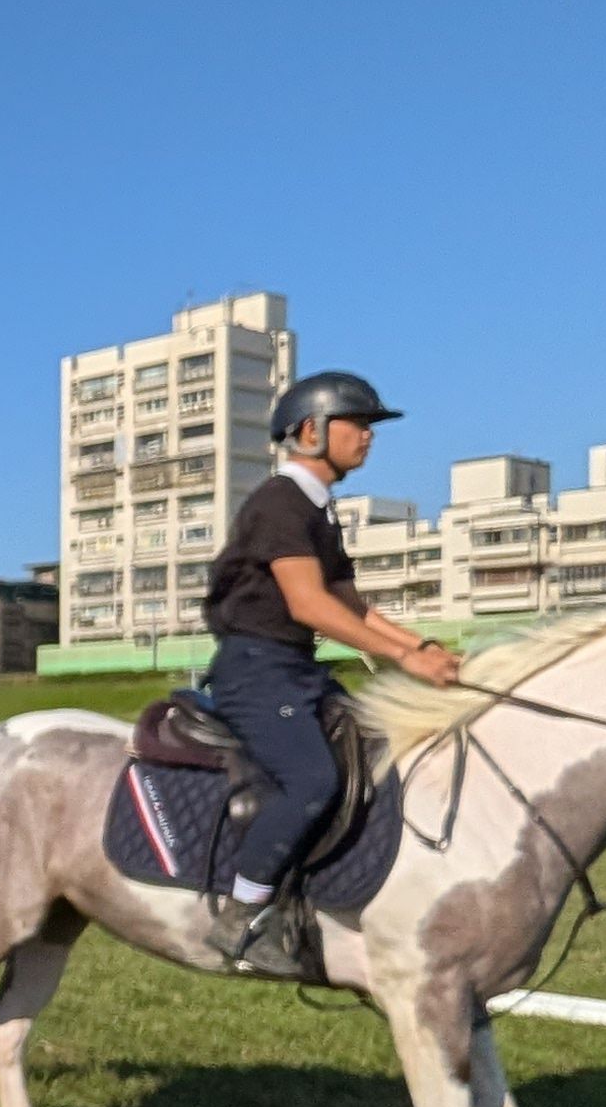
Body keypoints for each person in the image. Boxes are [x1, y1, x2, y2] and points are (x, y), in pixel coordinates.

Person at [196, 368, 465, 976]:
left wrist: (423, 646)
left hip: (296, 669)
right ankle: (240, 919)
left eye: (371, 427)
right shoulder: (280, 503)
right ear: (311, 430)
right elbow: (308, 604)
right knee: (313, 781)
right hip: (256, 671)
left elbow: (348, 600)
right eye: (359, 424)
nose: (369, 436)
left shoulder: (318, 508)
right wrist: (403, 659)